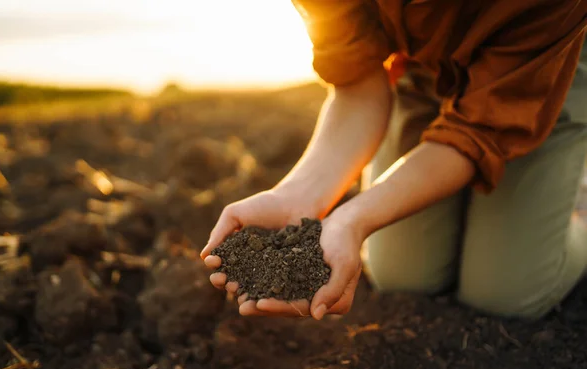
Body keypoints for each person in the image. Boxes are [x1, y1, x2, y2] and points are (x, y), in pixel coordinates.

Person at [201, 1, 587, 321]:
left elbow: (478, 131)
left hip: (536, 80)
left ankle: (578, 206)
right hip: (425, 71)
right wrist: (302, 200)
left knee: (506, 293)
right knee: (402, 274)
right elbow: (357, 87)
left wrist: (357, 216)